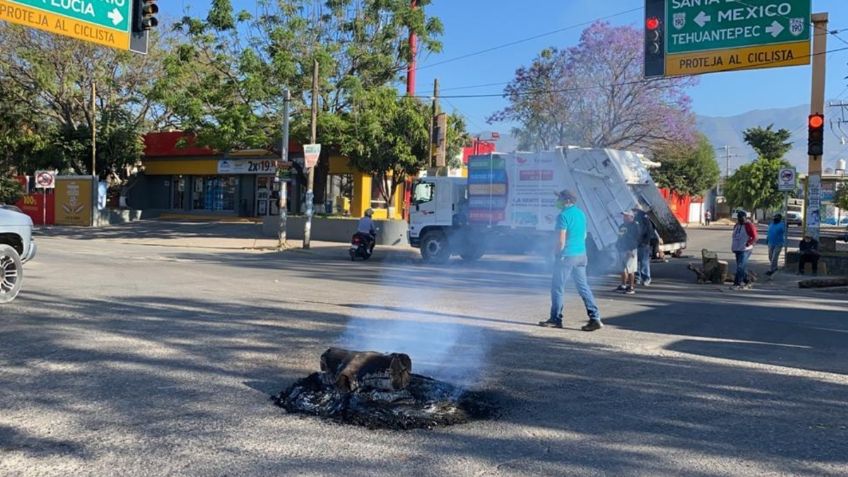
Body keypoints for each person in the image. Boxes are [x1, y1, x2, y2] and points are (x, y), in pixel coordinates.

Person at [539, 189, 603, 332]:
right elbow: (584, 235)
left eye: (560, 198)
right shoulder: (581, 214)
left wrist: (556, 253)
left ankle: (555, 319)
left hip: (567, 255)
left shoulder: (563, 216)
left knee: (557, 288)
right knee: (583, 287)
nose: (557, 201)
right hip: (581, 255)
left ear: (567, 200)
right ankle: (595, 318)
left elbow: (560, 241)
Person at [615, 210, 641, 295]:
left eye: (626, 216)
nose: (624, 218)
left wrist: (630, 249)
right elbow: (620, 238)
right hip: (622, 250)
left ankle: (631, 287)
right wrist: (618, 247)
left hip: (631, 250)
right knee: (623, 269)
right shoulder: (622, 226)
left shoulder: (635, 226)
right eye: (624, 216)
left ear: (631, 217)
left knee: (631, 269)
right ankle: (623, 285)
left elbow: (636, 239)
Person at [730, 210, 757, 290]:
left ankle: (737, 284)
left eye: (741, 218)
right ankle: (748, 281)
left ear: (745, 217)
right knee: (742, 267)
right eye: (738, 218)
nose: (740, 219)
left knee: (740, 267)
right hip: (737, 249)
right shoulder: (736, 225)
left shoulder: (749, 225)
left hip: (745, 249)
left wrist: (749, 243)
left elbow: (755, 237)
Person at [634, 208, 656, 286]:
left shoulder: (644, 218)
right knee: (636, 261)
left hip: (643, 244)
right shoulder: (635, 218)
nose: (633, 212)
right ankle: (637, 277)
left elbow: (649, 231)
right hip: (636, 243)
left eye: (634, 210)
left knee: (644, 261)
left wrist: (645, 242)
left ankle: (646, 278)